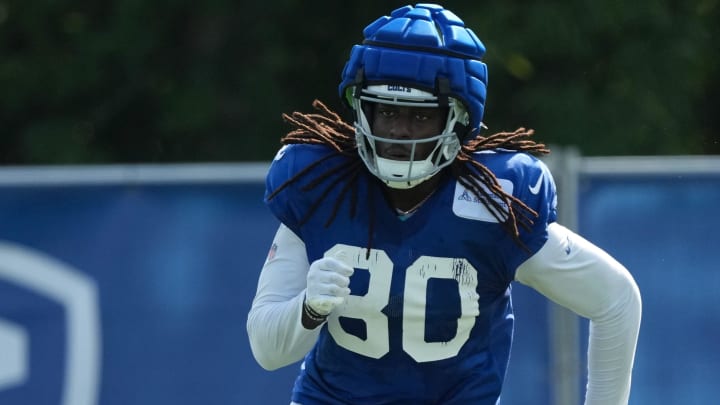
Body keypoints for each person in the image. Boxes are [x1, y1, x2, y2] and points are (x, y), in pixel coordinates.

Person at [247, 4, 641, 404]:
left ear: (458, 120)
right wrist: (308, 308)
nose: (400, 131)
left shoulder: (494, 201)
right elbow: (267, 349)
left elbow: (616, 299)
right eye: (385, 111)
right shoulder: (320, 188)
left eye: (420, 117)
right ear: (360, 110)